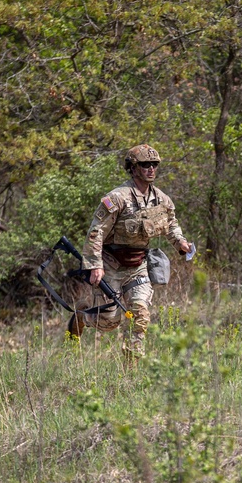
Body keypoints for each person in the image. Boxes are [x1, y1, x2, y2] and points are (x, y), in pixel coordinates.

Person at [68, 143, 193, 358]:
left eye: (154, 164)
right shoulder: (117, 198)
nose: (151, 169)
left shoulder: (162, 199)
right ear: (133, 167)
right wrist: (95, 266)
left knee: (140, 314)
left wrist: (181, 243)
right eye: (145, 164)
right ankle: (81, 316)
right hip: (111, 264)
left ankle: (131, 369)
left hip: (138, 266)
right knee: (110, 321)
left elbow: (171, 224)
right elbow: (96, 232)